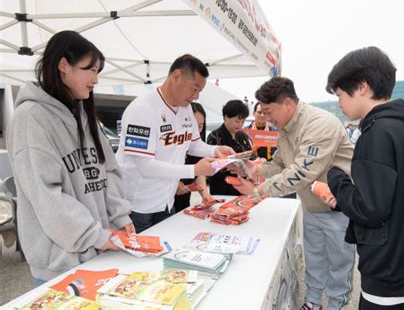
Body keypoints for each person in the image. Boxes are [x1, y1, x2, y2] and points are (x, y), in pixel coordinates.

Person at [6, 31, 134, 285]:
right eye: (90, 69)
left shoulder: (85, 115)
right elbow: (47, 196)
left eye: (98, 71)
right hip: (60, 262)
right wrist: (95, 235)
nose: (96, 79)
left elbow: (109, 171)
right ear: (63, 66)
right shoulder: (30, 118)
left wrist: (120, 216)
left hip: (99, 248)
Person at [325, 46, 404, 309]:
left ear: (362, 87)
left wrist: (336, 179)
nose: (339, 103)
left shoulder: (377, 133)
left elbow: (370, 209)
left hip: (390, 270)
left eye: (340, 94)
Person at [234, 77, 355, 310]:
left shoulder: (320, 124)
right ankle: (313, 300)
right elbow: (279, 165)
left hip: (338, 208)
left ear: (288, 103)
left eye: (269, 112)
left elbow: (301, 172)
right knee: (315, 258)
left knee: (340, 261)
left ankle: (337, 303)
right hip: (311, 205)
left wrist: (259, 191)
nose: (267, 119)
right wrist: (256, 170)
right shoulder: (285, 129)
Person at [116, 54, 234, 233]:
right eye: (194, 89)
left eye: (199, 91)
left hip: (165, 202)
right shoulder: (142, 110)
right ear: (176, 76)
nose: (195, 97)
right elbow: (145, 166)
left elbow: (194, 144)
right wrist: (194, 170)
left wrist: (216, 150)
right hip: (137, 206)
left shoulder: (185, 110)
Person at [174, 102, 214, 212]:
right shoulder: (171, 143)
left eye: (200, 126)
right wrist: (173, 184)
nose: (196, 130)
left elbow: (199, 172)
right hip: (162, 201)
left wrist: (205, 194)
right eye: (192, 125)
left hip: (183, 198)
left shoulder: (199, 145)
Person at [207, 100, 252, 196]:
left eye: (243, 121)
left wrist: (247, 168)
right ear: (226, 117)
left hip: (242, 186)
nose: (240, 125)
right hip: (222, 186)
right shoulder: (214, 136)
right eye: (236, 121)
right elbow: (212, 164)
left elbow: (250, 157)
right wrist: (233, 168)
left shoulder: (244, 136)